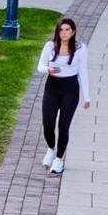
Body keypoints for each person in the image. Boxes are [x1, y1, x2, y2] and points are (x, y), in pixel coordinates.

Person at [37, 18, 92, 175]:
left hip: (70, 89)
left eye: (68, 30)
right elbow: (40, 66)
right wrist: (48, 69)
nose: (64, 33)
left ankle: (59, 159)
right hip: (52, 87)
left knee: (63, 126)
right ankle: (50, 148)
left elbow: (83, 72)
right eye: (61, 30)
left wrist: (87, 97)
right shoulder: (50, 46)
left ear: (73, 31)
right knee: (47, 122)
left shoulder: (80, 48)